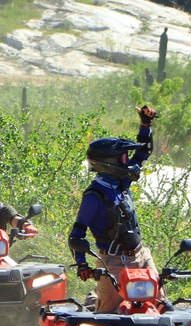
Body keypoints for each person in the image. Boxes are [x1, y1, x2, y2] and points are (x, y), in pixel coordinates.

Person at [69, 105, 164, 313]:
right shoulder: (93, 197)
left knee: (161, 305)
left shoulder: (122, 182)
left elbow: (143, 153)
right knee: (106, 318)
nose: (127, 161)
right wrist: (82, 264)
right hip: (112, 263)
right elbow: (76, 235)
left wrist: (145, 124)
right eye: (122, 158)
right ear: (108, 163)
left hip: (141, 255)